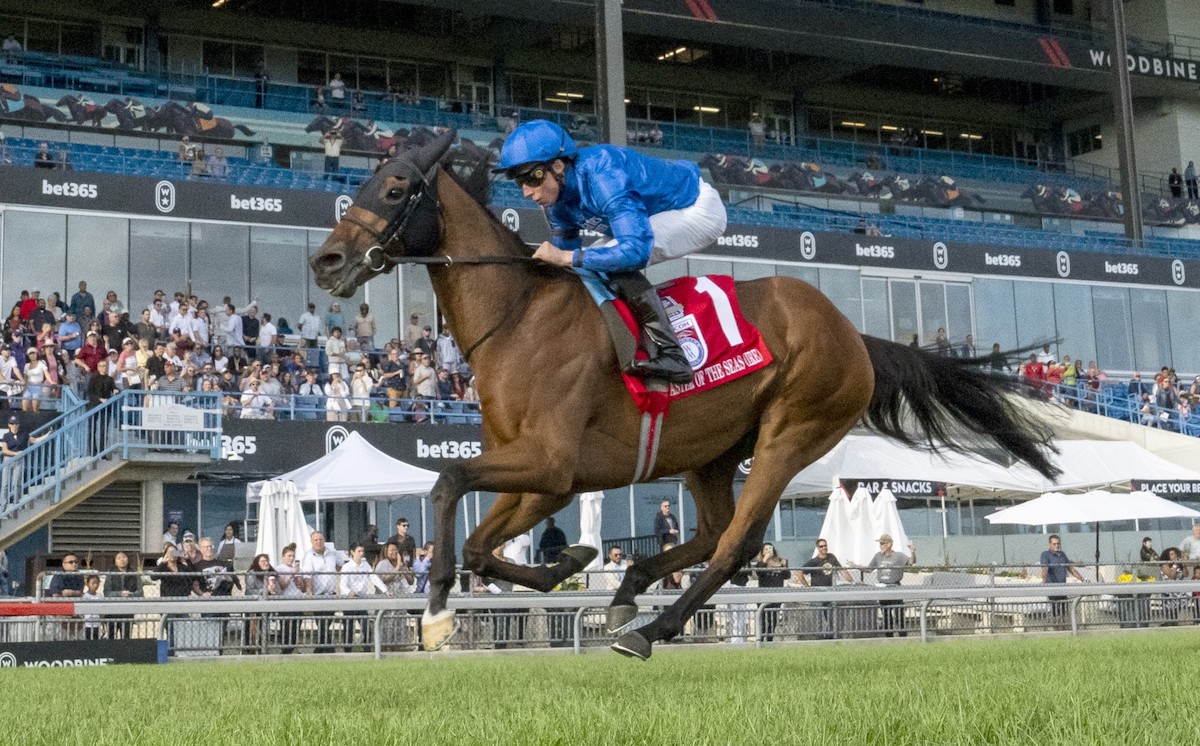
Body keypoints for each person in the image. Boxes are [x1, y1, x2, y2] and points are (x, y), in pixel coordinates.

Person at [494, 119, 726, 384]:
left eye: (530, 178)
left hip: (697, 209)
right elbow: (565, 263)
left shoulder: (603, 173)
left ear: (558, 166)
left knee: (609, 258)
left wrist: (567, 257)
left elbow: (635, 251)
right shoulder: (556, 203)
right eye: (518, 182)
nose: (526, 192)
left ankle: (674, 354)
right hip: (651, 218)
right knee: (589, 265)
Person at [299, 531, 346, 653]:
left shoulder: (332, 553)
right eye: (316, 540)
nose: (319, 542)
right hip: (318, 594)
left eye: (320, 539)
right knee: (321, 621)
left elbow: (341, 566)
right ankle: (326, 647)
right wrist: (309, 591)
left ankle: (322, 646)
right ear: (312, 542)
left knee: (327, 620)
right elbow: (307, 575)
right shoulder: (309, 556)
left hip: (331, 593)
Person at [866, 534, 915, 637]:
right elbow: (869, 569)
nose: (880, 546)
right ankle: (889, 636)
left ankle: (902, 636)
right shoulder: (878, 556)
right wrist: (856, 566)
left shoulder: (898, 556)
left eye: (882, 543)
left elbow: (911, 562)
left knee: (899, 613)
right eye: (880, 543)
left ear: (889, 544)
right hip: (883, 588)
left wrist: (913, 552)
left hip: (895, 587)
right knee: (886, 614)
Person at [339, 543, 387, 649]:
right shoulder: (346, 567)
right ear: (352, 552)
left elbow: (373, 578)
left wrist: (385, 590)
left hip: (362, 600)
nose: (361, 554)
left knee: (366, 628)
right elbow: (343, 585)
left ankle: (367, 649)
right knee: (348, 628)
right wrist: (349, 592)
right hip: (349, 601)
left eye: (362, 551)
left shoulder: (365, 565)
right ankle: (348, 651)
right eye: (359, 551)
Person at [1040, 533, 1084, 630]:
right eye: (1054, 544)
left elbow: (1071, 569)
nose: (1056, 546)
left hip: (1063, 587)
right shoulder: (1045, 554)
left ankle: (1064, 628)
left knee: (1064, 610)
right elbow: (1044, 568)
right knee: (1055, 610)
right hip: (1052, 588)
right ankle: (1056, 629)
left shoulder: (1062, 555)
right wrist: (1043, 580)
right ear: (1050, 544)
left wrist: (1082, 579)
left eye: (1058, 544)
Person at [751, 543, 791, 641]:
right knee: (763, 620)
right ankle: (760, 639)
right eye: (766, 549)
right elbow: (758, 572)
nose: (769, 551)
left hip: (776, 596)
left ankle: (770, 639)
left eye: (770, 548)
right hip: (763, 596)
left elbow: (787, 575)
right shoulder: (761, 564)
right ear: (762, 552)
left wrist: (784, 566)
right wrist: (765, 559)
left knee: (773, 620)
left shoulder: (779, 563)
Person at [274, 543, 306, 653]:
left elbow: (302, 588)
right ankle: (286, 650)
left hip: (298, 601)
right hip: (286, 602)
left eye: (293, 556)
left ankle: (293, 648)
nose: (292, 558)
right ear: (283, 557)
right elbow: (281, 586)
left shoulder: (297, 570)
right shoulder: (280, 569)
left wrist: (300, 580)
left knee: (296, 628)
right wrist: (291, 574)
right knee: (287, 628)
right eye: (289, 556)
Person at [103, 551, 142, 639]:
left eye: (124, 557)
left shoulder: (134, 573)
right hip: (112, 611)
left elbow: (140, 592)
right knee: (111, 636)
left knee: (126, 637)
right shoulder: (110, 574)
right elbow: (107, 592)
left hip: (128, 610)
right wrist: (119, 594)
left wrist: (130, 595)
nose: (122, 560)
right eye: (119, 558)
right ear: (115, 561)